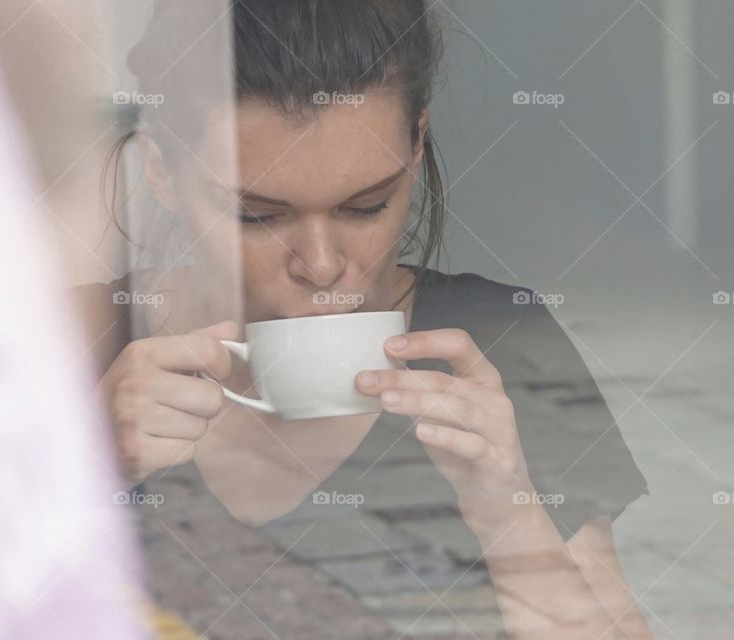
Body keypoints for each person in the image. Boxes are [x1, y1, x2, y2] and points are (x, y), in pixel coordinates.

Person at [76, 1, 652, 638]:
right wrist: (80, 470)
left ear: (417, 145)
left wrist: (509, 510)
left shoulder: (497, 341)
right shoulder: (67, 341)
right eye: (258, 215)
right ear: (161, 172)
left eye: (367, 206)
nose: (321, 266)